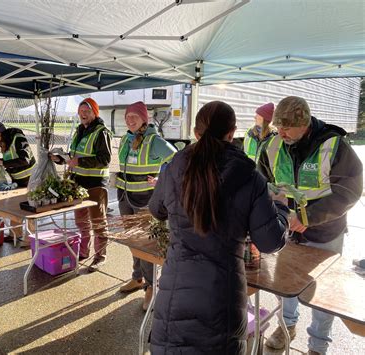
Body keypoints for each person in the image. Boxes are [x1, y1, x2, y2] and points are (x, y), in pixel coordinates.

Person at [148, 101, 289, 354]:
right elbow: (270, 241)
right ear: (231, 132)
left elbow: (156, 210)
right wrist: (281, 208)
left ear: (195, 132)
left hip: (175, 289)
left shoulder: (173, 168)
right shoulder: (249, 176)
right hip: (222, 293)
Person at [257, 96, 363, 355]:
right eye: (278, 126)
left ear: (304, 123)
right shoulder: (271, 146)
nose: (280, 132)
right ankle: (286, 327)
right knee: (286, 285)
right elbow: (260, 186)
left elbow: (349, 191)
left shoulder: (333, 145)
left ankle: (317, 345)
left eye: (287, 127)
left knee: (321, 297)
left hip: (326, 233)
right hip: (287, 232)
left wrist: (307, 217)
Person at [116, 101, 176, 311]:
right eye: (127, 116)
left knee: (147, 244)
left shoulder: (154, 140)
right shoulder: (126, 138)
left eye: (134, 116)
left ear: (144, 119)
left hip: (145, 201)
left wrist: (161, 178)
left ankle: (151, 287)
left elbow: (177, 160)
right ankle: (137, 277)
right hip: (125, 197)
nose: (130, 119)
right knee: (133, 241)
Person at [51, 98, 112, 272]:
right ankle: (84, 252)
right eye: (81, 111)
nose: (83, 114)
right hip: (78, 185)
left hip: (95, 185)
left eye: (87, 111)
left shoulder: (101, 132)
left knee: (98, 222)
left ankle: (100, 257)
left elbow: (104, 160)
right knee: (81, 221)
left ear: (95, 113)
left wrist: (80, 161)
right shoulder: (80, 130)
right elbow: (74, 155)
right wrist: (61, 159)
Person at [0, 116, 36, 188]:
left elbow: (25, 160)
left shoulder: (18, 138)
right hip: (18, 181)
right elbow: (12, 158)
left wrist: (3, 163)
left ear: (1, 132)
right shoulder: (5, 142)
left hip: (30, 180)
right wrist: (0, 160)